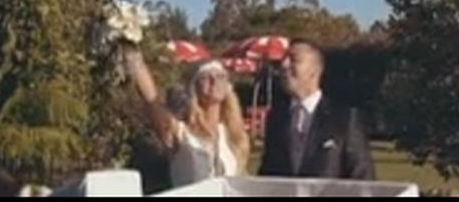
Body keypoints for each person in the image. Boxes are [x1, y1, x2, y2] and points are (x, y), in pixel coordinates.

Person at [124, 48, 250, 187]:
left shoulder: (235, 136)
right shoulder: (182, 134)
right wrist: (134, 59)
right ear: (194, 88)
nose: (214, 80)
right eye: (205, 77)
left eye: (220, 76)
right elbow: (152, 101)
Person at [258, 39, 375, 180]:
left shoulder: (344, 119)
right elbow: (266, 177)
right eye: (284, 59)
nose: (284, 65)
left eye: (294, 60)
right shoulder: (277, 118)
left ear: (314, 70)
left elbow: (362, 177)